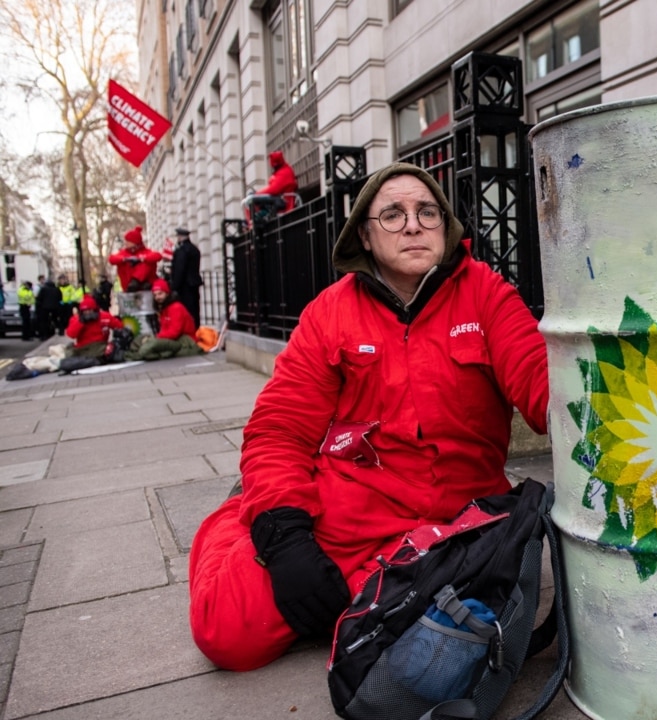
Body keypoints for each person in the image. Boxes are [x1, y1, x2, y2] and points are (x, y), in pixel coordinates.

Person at [188, 163, 549, 672]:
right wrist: (282, 533)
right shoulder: (330, 313)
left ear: (446, 226)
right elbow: (279, 429)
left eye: (428, 212)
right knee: (227, 634)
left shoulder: (486, 294)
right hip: (347, 516)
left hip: (454, 527)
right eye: (393, 214)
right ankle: (239, 515)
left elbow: (542, 384)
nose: (413, 224)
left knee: (428, 651)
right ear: (365, 233)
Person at [124, 278, 203, 361]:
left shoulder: (176, 307)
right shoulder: (164, 309)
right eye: (155, 295)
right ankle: (138, 352)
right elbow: (164, 330)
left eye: (160, 294)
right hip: (169, 339)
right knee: (140, 338)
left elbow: (174, 332)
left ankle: (136, 355)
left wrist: (156, 338)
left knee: (153, 344)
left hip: (184, 340)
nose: (157, 297)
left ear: (167, 293)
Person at [109, 226, 162, 292]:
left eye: (128, 241)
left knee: (147, 263)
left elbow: (158, 256)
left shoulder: (145, 252)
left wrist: (141, 259)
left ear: (134, 242)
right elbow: (112, 259)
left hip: (145, 286)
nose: (126, 243)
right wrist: (124, 259)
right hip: (128, 287)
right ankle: (134, 283)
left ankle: (136, 281)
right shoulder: (124, 253)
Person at [169, 227, 203, 326]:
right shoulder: (194, 249)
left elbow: (180, 269)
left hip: (184, 286)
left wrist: (174, 287)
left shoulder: (182, 250)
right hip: (193, 284)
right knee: (195, 309)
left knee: (186, 309)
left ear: (180, 237)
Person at [35, 275, 60, 340]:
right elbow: (60, 297)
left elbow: (39, 298)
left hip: (45, 308)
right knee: (55, 320)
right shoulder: (56, 289)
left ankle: (44, 335)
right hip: (55, 307)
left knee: (44, 322)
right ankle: (58, 331)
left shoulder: (43, 289)